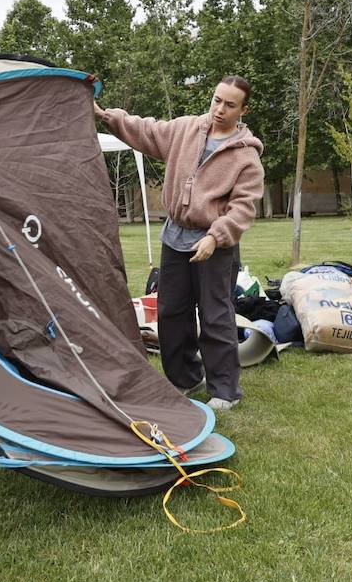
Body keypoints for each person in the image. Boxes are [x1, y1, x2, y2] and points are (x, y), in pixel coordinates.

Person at [95, 77, 264, 411]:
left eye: (230, 105)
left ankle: (224, 390)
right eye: (217, 100)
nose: (219, 109)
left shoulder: (247, 158)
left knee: (215, 316)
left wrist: (215, 238)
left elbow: (243, 208)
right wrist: (105, 115)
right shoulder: (186, 130)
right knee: (171, 313)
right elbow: (145, 130)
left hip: (215, 245)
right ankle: (185, 378)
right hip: (174, 238)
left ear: (244, 110)